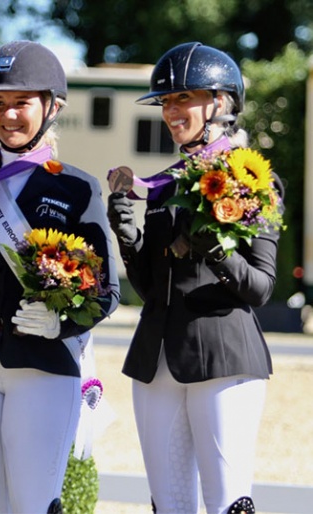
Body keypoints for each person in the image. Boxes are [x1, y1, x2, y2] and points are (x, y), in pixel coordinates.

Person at [0, 40, 120, 514]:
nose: (8, 115)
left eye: (21, 103)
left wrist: (62, 326)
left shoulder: (75, 187)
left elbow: (106, 291)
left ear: (52, 107)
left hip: (43, 365)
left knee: (32, 506)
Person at [107, 42, 284, 514]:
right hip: (155, 358)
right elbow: (151, 287)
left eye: (183, 98)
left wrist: (216, 248)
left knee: (227, 501)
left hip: (223, 354)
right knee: (169, 504)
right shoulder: (165, 184)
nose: (171, 111)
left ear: (220, 104)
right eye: (166, 101)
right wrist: (129, 239)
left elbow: (262, 287)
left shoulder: (253, 181)